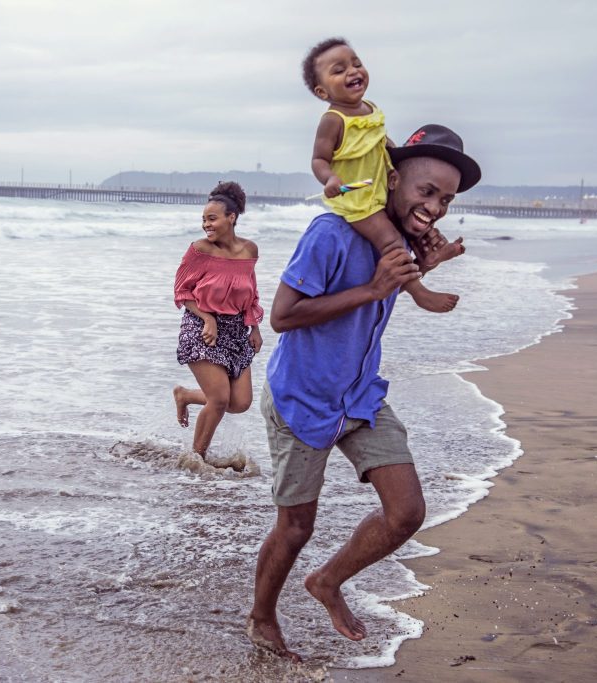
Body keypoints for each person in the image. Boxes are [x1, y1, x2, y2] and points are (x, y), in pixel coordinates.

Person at [247, 125, 482, 661]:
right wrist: (373, 290)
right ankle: (262, 616)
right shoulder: (330, 233)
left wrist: (429, 265)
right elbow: (282, 316)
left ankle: (327, 582)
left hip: (360, 396)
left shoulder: (399, 240)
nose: (437, 207)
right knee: (296, 526)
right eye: (427, 192)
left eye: (446, 199)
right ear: (392, 178)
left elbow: (401, 274)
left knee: (406, 514)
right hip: (302, 398)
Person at [302, 37, 466, 314]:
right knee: (390, 240)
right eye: (339, 70)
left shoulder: (371, 108)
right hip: (357, 197)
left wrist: (427, 262)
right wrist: (329, 179)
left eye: (356, 64)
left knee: (399, 235)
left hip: (374, 189)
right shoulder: (333, 120)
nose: (353, 72)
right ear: (322, 91)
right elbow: (319, 158)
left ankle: (423, 267)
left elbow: (380, 141)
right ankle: (420, 293)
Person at [173, 181, 264, 462]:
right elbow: (181, 291)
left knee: (240, 403)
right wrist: (207, 317)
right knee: (220, 399)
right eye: (203, 220)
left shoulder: (249, 250)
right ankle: (196, 460)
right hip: (201, 327)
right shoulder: (199, 250)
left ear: (231, 218)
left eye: (212, 219)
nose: (206, 225)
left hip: (236, 329)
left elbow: (251, 291)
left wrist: (255, 326)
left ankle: (185, 395)